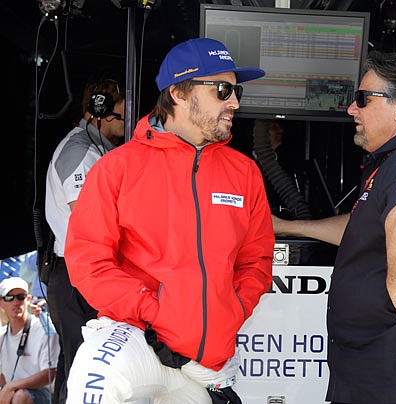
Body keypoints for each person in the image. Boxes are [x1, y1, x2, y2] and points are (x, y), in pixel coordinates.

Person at [63, 37, 274, 403]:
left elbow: (256, 261)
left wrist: (230, 313)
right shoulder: (118, 168)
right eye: (223, 90)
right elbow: (88, 263)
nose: (235, 102)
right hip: (137, 337)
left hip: (205, 358)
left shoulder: (245, 172)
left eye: (236, 90)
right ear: (178, 93)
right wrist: (154, 314)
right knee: (93, 380)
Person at [272, 51, 396, 403]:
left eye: (363, 99)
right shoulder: (393, 161)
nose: (352, 109)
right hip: (378, 375)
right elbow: (363, 228)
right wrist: (288, 227)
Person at [44, 76, 126, 403]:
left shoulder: (98, 150)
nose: (128, 117)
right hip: (75, 278)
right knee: (84, 365)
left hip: (77, 275)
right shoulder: (80, 152)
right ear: (101, 109)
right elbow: (89, 219)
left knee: (74, 365)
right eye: (123, 110)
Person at [0, 277, 60, 404]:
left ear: (28, 299)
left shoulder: (45, 329)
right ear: (1, 303)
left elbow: (49, 374)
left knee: (20, 397)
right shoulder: (2, 335)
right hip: (14, 391)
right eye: (9, 298)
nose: (16, 302)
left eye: (20, 297)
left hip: (45, 394)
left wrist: (11, 386)